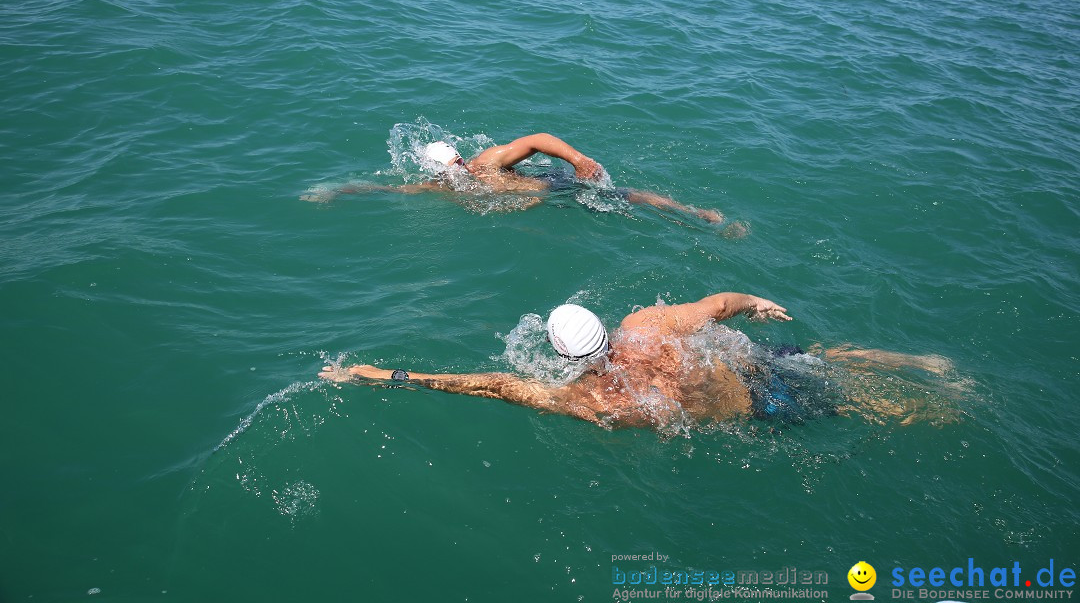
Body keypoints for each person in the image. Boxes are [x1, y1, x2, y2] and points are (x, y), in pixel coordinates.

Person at [319, 292, 953, 429]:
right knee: (815, 357)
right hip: (748, 361)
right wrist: (756, 303)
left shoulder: (589, 400)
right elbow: (719, 305)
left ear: (565, 357)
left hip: (758, 407)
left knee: (853, 408)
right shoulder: (644, 327)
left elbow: (487, 386)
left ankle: (928, 411)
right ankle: (916, 362)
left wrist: (389, 375)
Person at [303, 133, 734, 227]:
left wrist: (580, 158)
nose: (459, 171)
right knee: (622, 202)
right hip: (543, 198)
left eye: (457, 163)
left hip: (554, 183)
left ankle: (694, 212)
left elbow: (539, 138)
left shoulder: (488, 161)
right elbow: (387, 188)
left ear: (457, 157)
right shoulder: (440, 187)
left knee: (627, 196)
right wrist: (336, 190)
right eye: (450, 170)